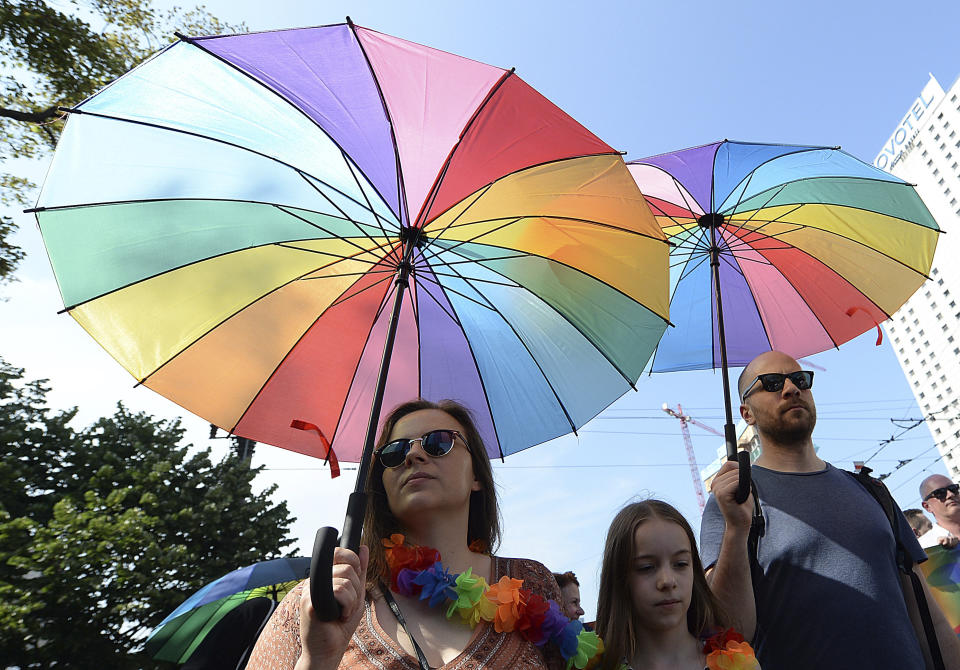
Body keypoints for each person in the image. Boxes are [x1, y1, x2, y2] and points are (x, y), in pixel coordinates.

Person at [245, 399, 573, 670]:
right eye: (394, 451)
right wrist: (318, 659)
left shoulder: (532, 581)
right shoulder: (315, 603)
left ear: (477, 476)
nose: (414, 455)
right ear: (381, 484)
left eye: (439, 442)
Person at [701, 350, 960, 670]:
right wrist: (736, 530)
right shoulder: (733, 503)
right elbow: (729, 631)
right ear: (746, 412)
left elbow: (928, 619)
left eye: (800, 379)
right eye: (771, 383)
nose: (791, 389)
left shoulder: (873, 491)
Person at [595, 500, 759, 670]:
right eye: (646, 567)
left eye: (680, 564)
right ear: (618, 578)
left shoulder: (738, 665)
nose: (667, 581)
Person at [919, 474, 960, 550]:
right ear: (927, 506)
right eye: (940, 493)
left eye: (953, 489)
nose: (950, 494)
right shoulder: (925, 547)